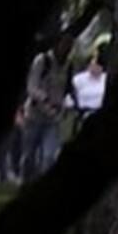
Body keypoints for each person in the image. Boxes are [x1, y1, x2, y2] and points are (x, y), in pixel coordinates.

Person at [22, 34, 74, 182]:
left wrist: (65, 105)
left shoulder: (68, 66)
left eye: (70, 47)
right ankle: (26, 182)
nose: (67, 50)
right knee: (29, 155)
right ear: (58, 45)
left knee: (49, 155)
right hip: (34, 115)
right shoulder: (42, 61)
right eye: (65, 45)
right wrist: (44, 98)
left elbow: (67, 89)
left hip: (53, 117)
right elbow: (31, 87)